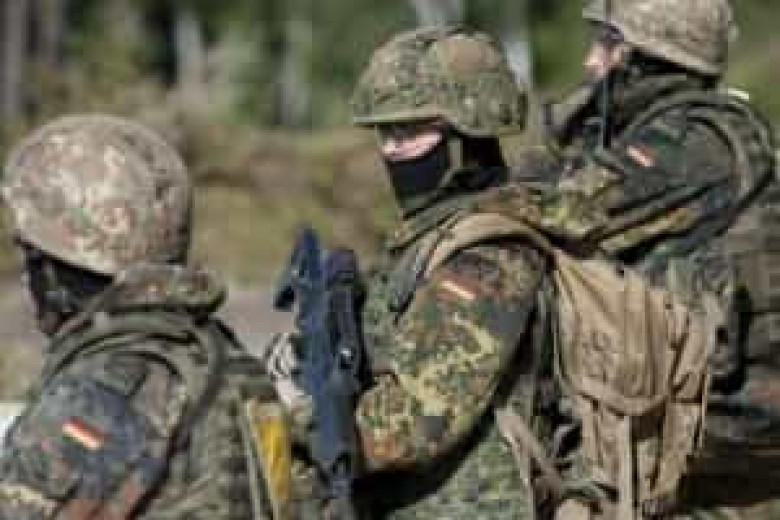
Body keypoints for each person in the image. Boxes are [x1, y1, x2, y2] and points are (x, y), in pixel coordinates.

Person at [543, 0, 780, 516]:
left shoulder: (693, 143)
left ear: (645, 59)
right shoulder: (695, 129)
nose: (590, 62)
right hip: (723, 410)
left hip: (729, 417)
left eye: (607, 45)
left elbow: (562, 212)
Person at [0, 115, 281, 519]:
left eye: (31, 254)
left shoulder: (102, 396)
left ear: (58, 263)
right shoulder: (225, 361)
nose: (28, 276)